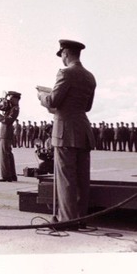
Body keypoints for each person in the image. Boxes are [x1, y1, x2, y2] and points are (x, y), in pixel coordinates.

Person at [39, 38, 97, 227]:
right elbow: (86, 107)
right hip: (83, 130)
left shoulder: (65, 73)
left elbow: (54, 101)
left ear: (65, 53)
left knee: (65, 179)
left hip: (65, 131)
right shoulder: (90, 76)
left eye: (61, 55)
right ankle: (80, 219)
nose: (61, 59)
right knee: (81, 179)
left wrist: (42, 96)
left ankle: (66, 220)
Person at [0, 91, 21, 182]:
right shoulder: (12, 108)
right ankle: (12, 175)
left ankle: (6, 176)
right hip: (6, 133)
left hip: (6, 132)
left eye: (11, 98)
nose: (9, 100)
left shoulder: (15, 109)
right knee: (8, 154)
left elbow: (8, 120)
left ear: (15, 99)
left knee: (4, 155)